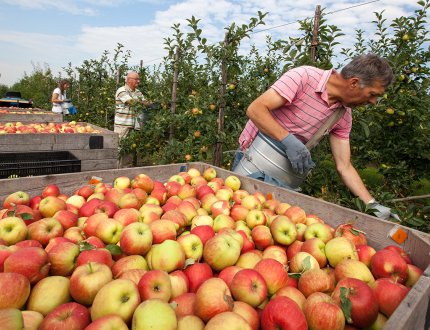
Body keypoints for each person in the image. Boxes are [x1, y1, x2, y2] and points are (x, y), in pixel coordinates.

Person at [233, 53, 399, 221]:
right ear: (354, 83)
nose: (373, 102)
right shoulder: (304, 77)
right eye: (372, 94)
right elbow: (255, 109)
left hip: (284, 174)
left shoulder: (342, 115)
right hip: (254, 158)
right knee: (238, 215)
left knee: (265, 225)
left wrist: (371, 204)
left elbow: (344, 166)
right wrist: (287, 140)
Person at [114, 71, 149, 139]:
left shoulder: (138, 92)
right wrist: (143, 102)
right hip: (122, 126)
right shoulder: (121, 90)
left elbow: (145, 102)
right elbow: (132, 102)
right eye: (136, 79)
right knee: (120, 147)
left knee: (131, 148)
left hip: (134, 127)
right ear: (129, 80)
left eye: (139, 79)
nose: (138, 81)